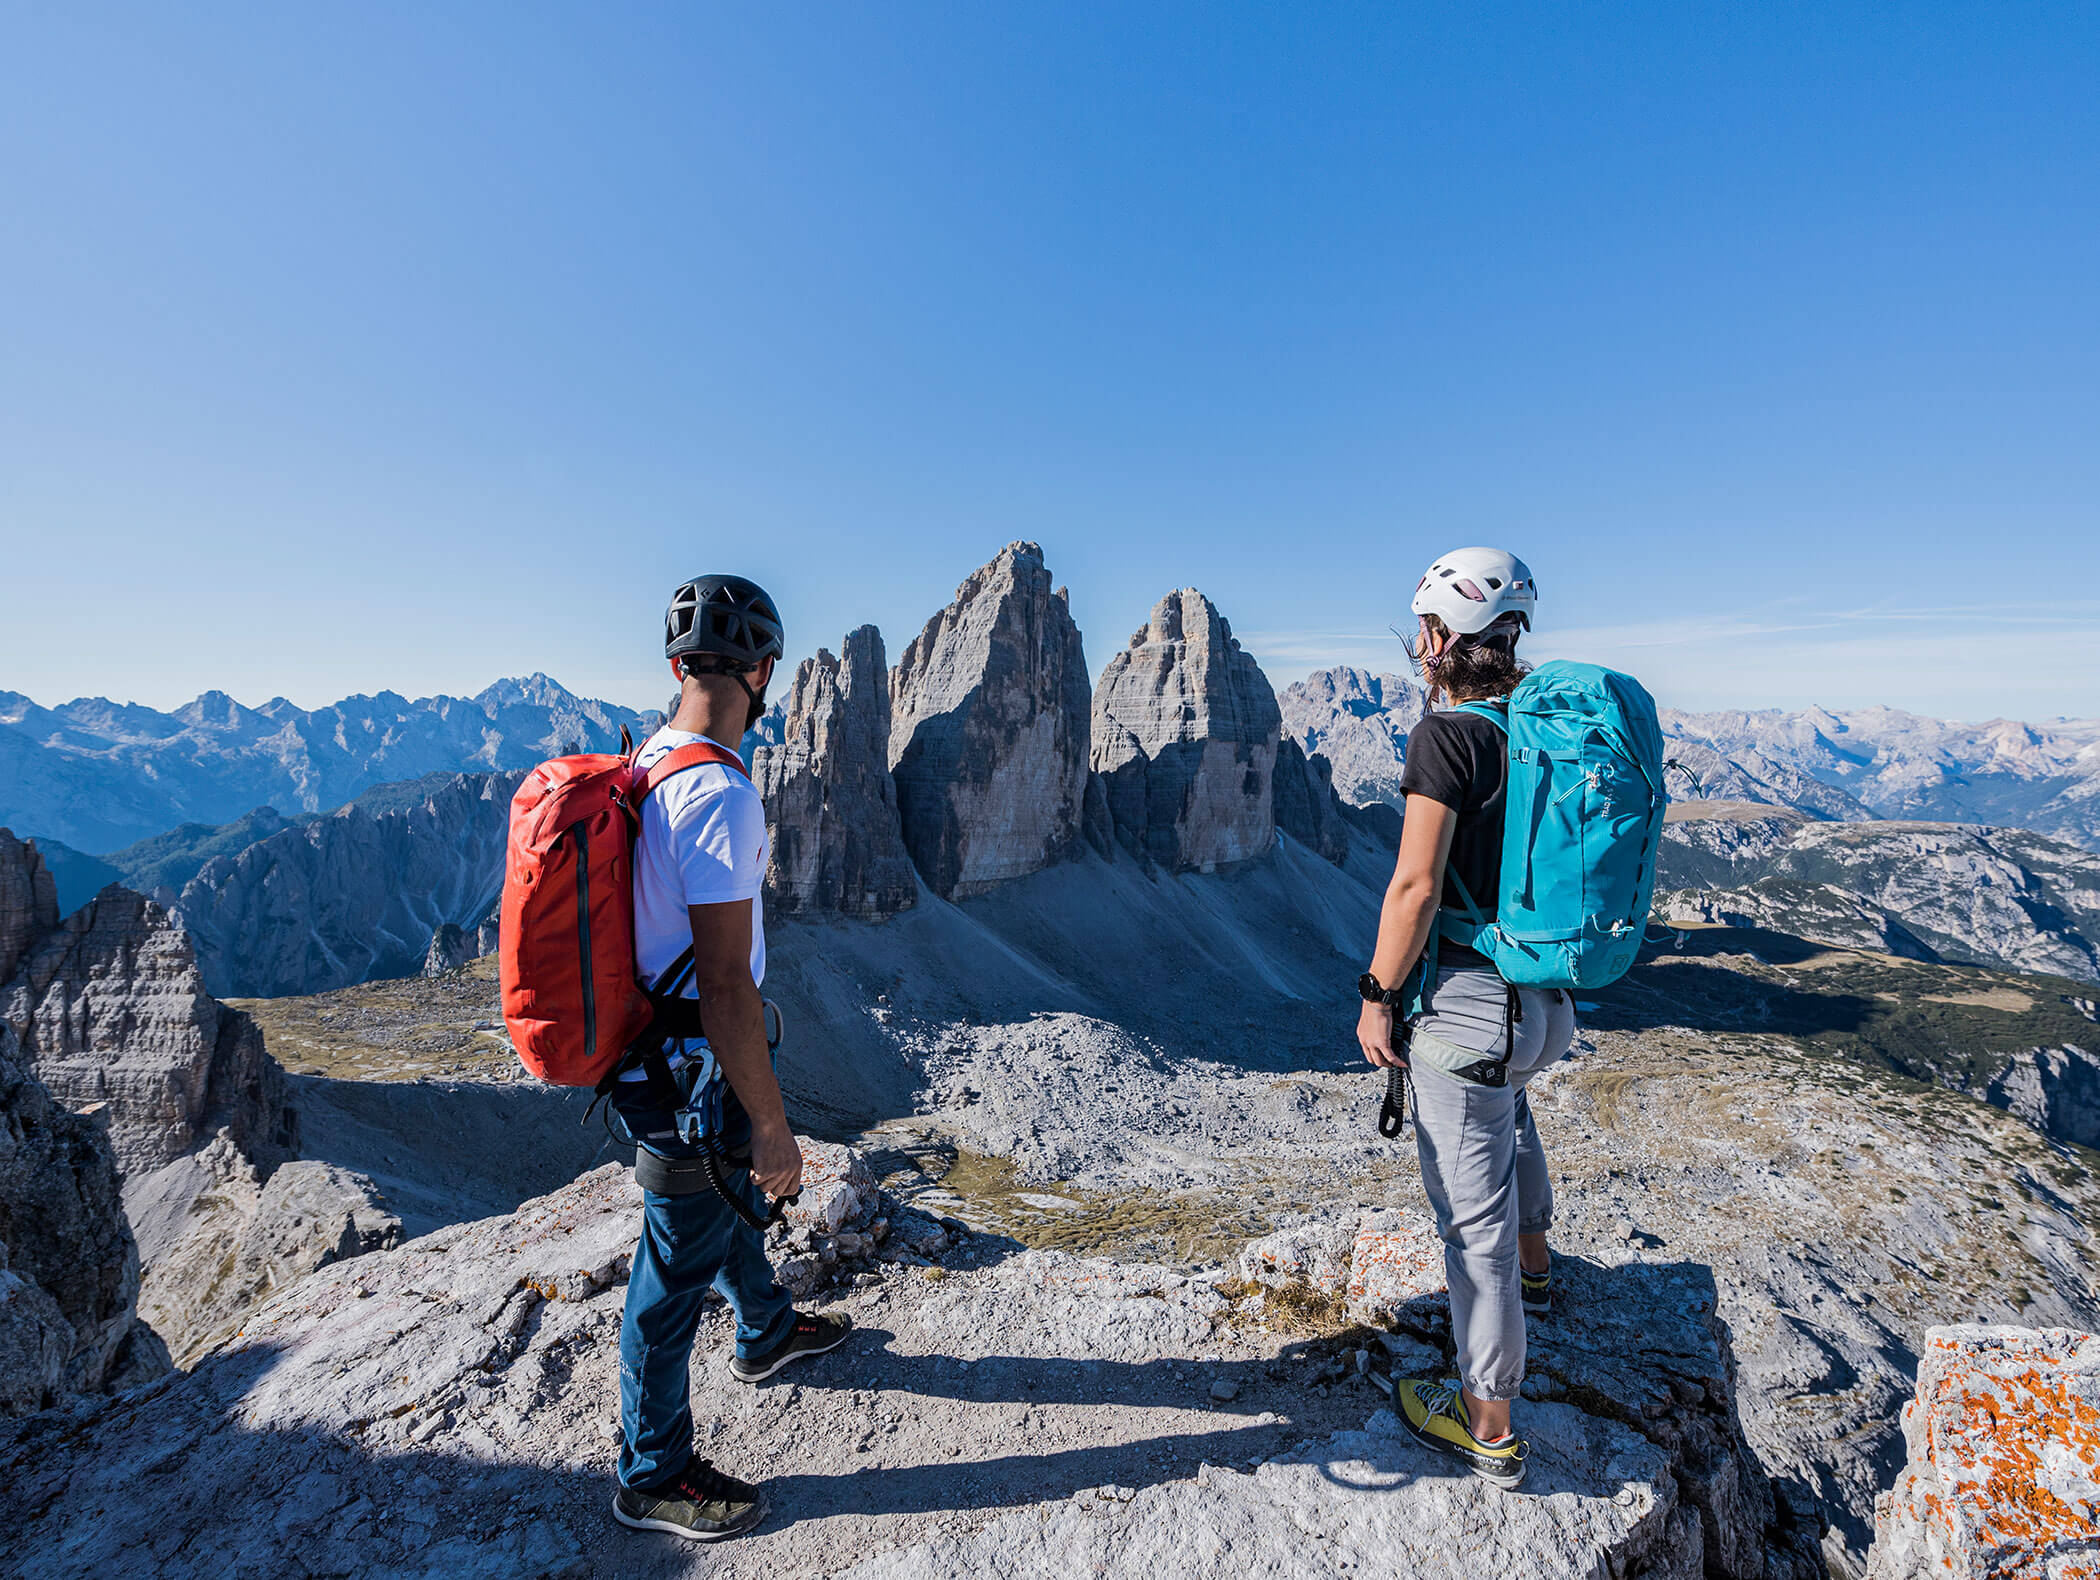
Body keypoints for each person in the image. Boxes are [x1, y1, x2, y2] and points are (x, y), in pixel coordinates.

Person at [609, 574, 852, 1543]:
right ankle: (652, 1471)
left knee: (718, 1204)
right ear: (762, 670)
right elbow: (724, 985)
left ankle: (765, 1325)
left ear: (676, 666)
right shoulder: (717, 790)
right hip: (686, 1068)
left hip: (647, 1050)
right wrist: (772, 1120)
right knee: (670, 1273)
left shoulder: (650, 758)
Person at [1353, 546, 1572, 1492]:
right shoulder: (1542, 727)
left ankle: (1487, 1423)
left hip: (1470, 1008)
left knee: (1466, 1222)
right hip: (1548, 1003)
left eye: (1423, 636)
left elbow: (1413, 885)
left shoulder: (1448, 737)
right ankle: (1540, 1273)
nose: (1421, 651)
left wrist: (1376, 996)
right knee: (1513, 1115)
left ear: (1440, 638)